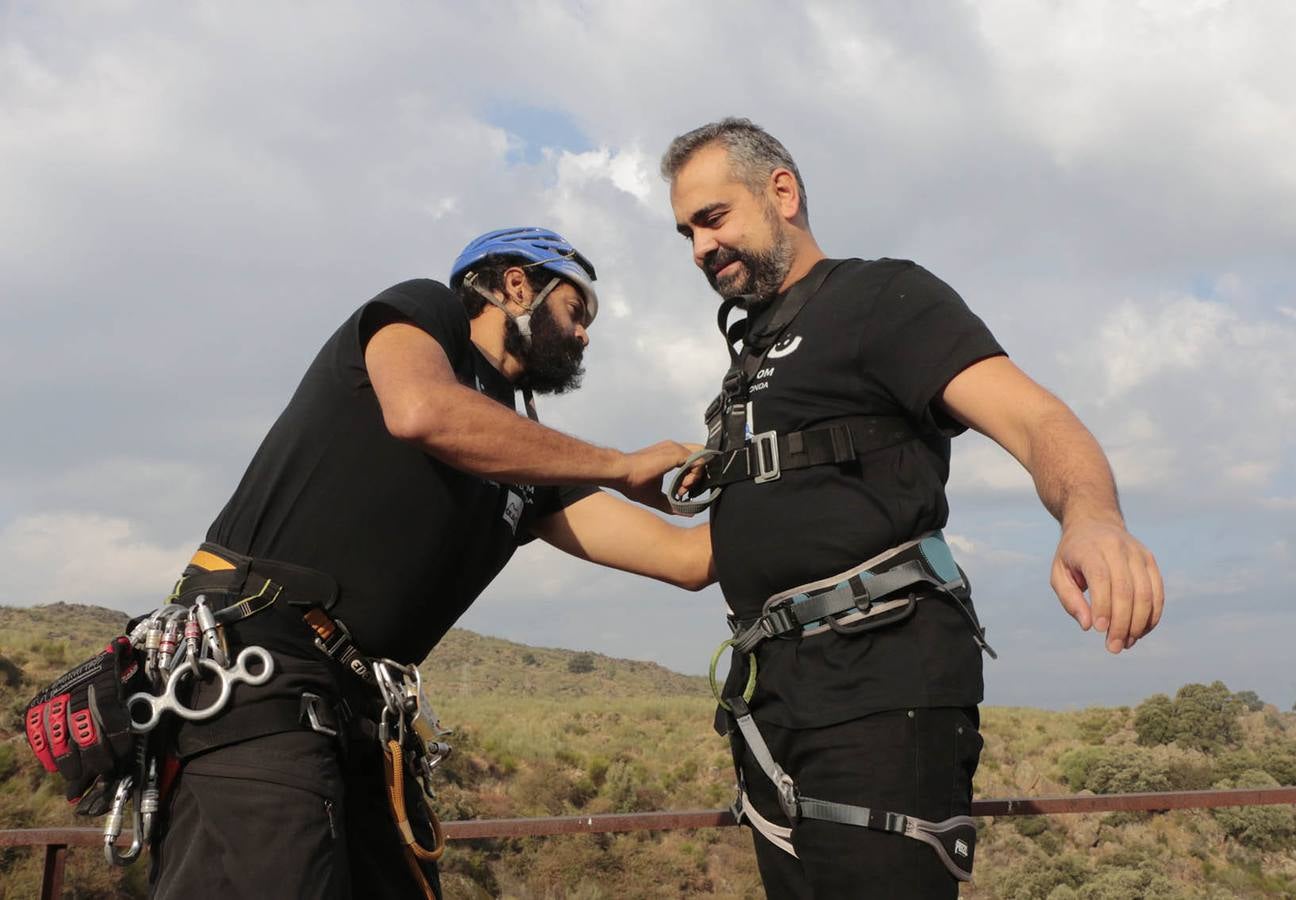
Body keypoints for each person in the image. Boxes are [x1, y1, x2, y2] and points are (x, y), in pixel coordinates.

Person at [661, 119, 1164, 898]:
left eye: (714, 218)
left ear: (782, 193)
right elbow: (702, 559)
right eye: (686, 231)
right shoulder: (743, 374)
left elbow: (1039, 421)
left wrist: (1091, 516)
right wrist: (536, 495)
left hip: (880, 683)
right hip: (775, 707)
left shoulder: (880, 297)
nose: (699, 248)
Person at [146, 226, 715, 899]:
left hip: (356, 714)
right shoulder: (425, 313)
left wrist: (784, 471)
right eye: (575, 310)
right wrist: (620, 465)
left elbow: (689, 559)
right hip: (258, 672)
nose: (586, 335)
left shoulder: (530, 462)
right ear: (515, 284)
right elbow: (422, 412)